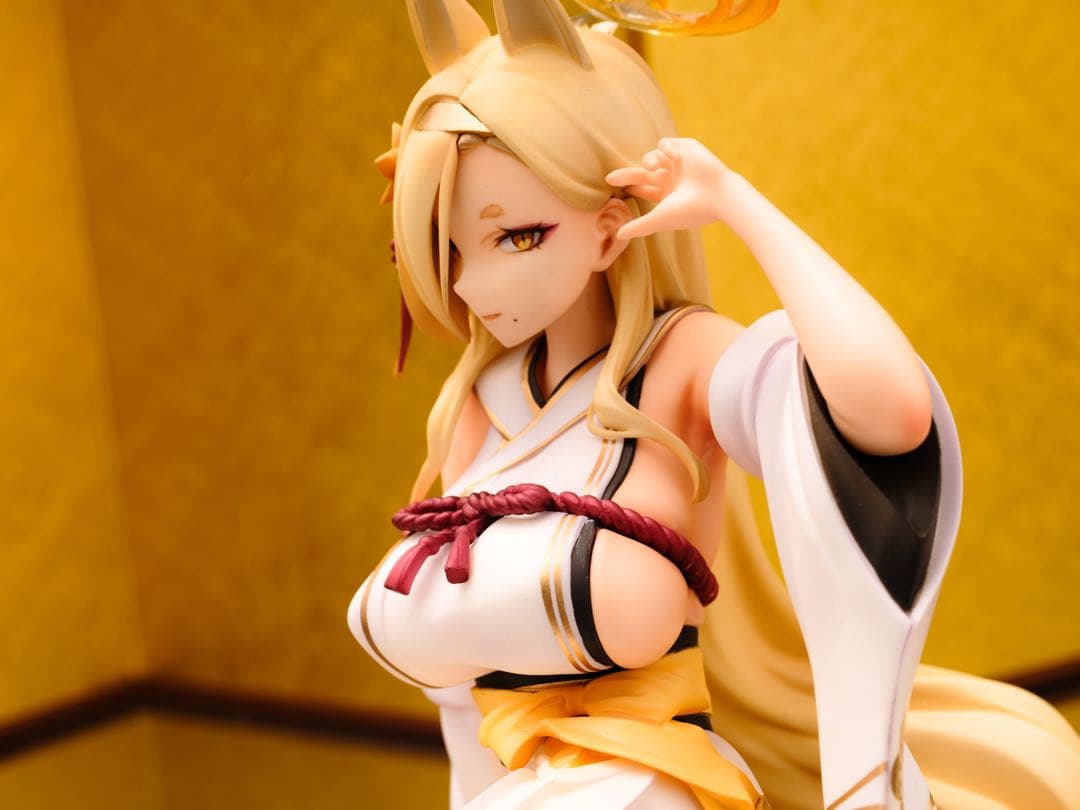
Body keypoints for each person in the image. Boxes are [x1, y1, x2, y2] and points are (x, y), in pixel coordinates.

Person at [349, 1, 1080, 807]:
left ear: (611, 226)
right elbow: (463, 707)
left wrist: (736, 202)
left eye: (518, 236)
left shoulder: (680, 365)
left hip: (648, 784)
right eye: (449, 248)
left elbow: (890, 413)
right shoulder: (474, 406)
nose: (469, 285)